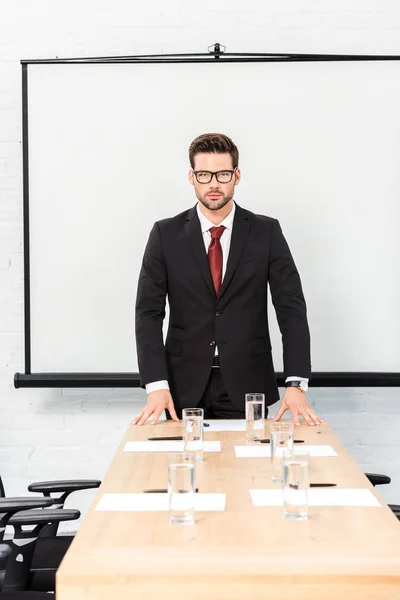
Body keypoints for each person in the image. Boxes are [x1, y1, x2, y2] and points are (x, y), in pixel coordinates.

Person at [133, 133, 322, 427]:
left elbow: (291, 309)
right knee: (183, 468)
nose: (213, 184)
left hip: (248, 383)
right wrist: (156, 385)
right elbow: (148, 312)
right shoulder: (165, 234)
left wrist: (296, 384)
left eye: (222, 174)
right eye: (204, 174)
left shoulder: (265, 232)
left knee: (251, 470)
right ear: (191, 177)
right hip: (180, 387)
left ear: (237, 175)